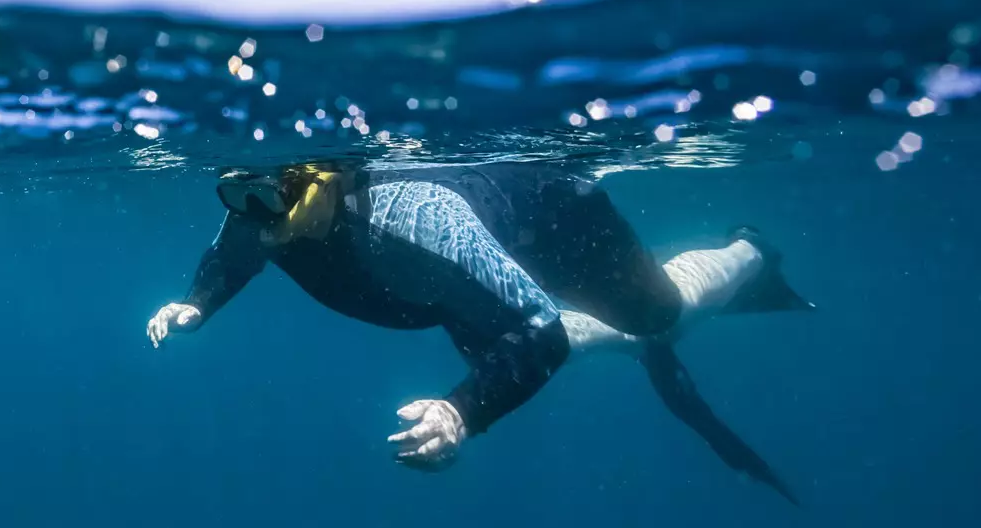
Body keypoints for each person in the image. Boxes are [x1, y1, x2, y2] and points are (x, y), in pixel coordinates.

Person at [146, 162, 810, 502]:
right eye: (242, 196)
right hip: (458, 290)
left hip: (559, 223)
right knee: (510, 337)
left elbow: (543, 334)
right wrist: (196, 303)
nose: (258, 214)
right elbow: (234, 254)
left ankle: (752, 252)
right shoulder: (261, 214)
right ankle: (638, 344)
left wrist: (461, 410)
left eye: (276, 194)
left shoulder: (415, 218)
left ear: (325, 183)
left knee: (660, 316)